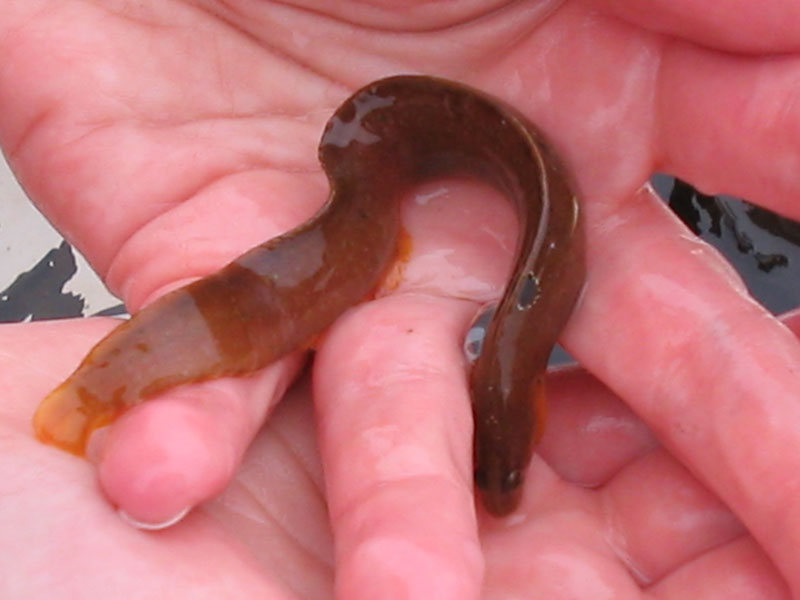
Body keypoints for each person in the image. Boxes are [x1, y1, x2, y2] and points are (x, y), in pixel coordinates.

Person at [1, 0, 798, 597]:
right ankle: (97, 392)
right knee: (350, 245)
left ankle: (94, 392)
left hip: (404, 143)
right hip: (379, 134)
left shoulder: (517, 260)